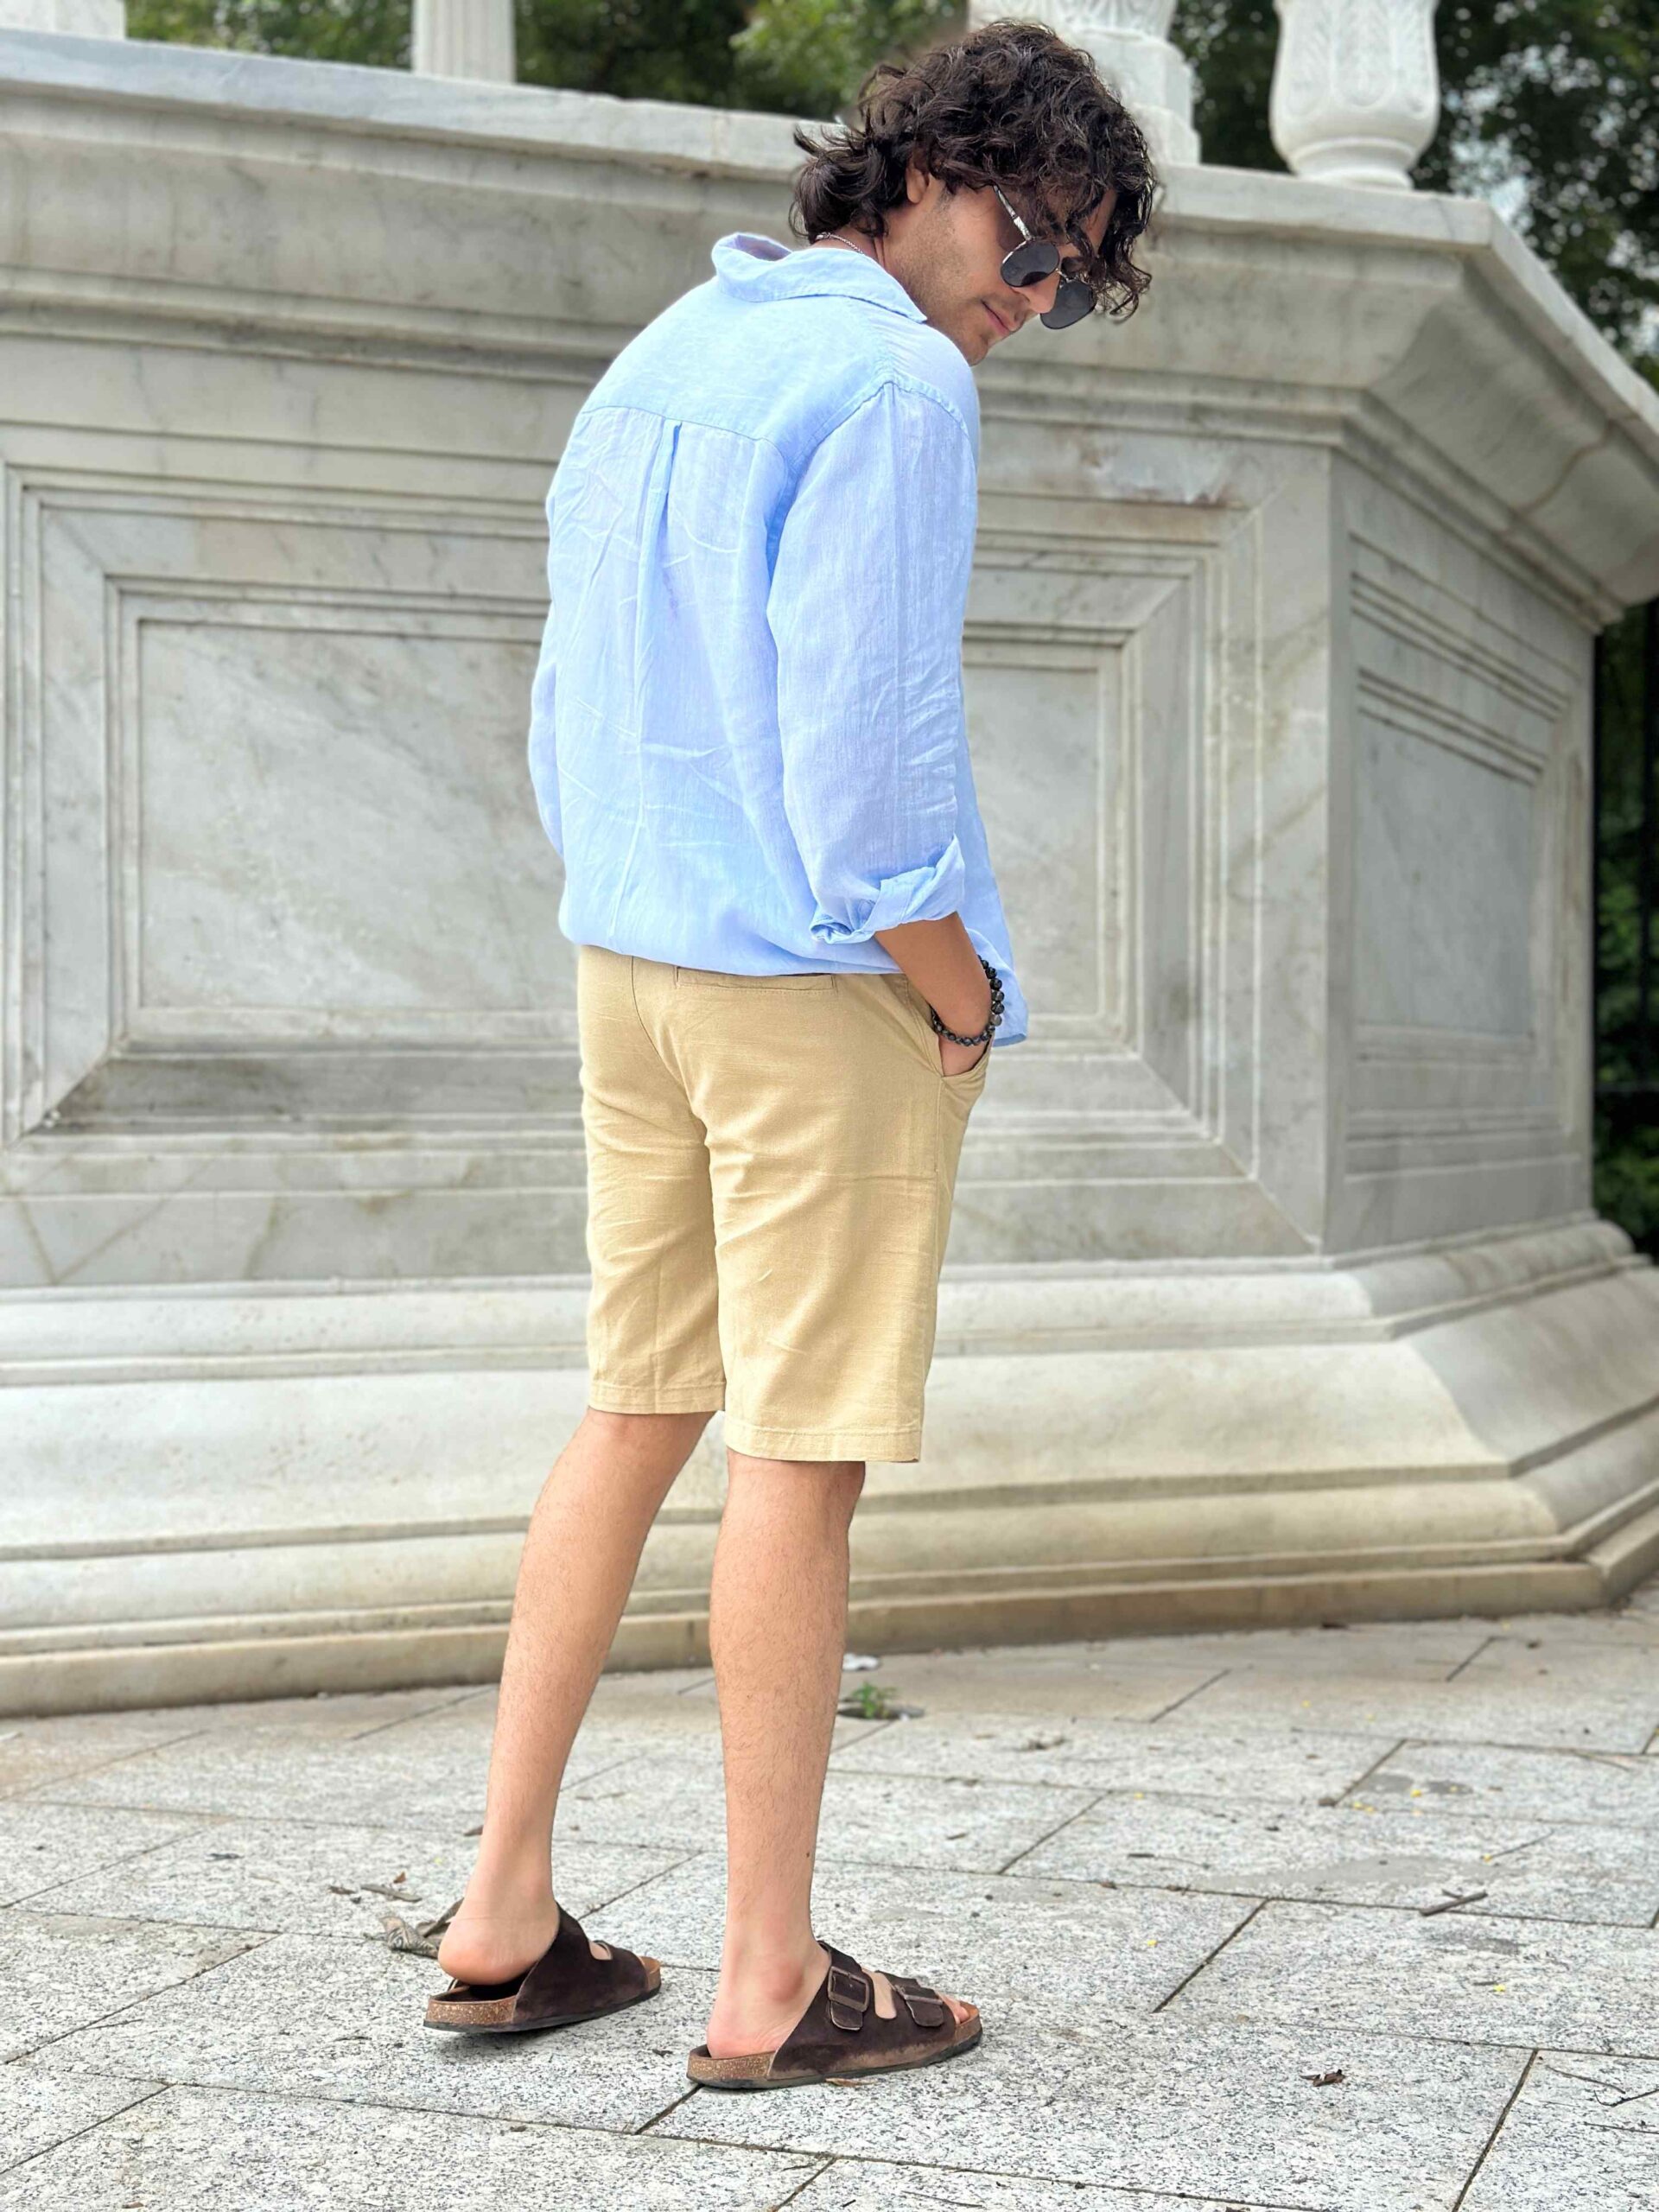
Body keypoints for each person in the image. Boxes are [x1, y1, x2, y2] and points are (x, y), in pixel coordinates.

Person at [423, 16, 1155, 2090]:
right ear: (913, 171)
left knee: (635, 1402)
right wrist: (964, 992)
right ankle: (768, 1972)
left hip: (631, 956)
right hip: (811, 980)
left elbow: (570, 693)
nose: (1030, 298)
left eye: (1069, 280)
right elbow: (869, 778)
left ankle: (506, 1907)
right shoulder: (894, 382)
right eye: (1029, 239)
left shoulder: (672, 348)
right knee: (796, 1458)